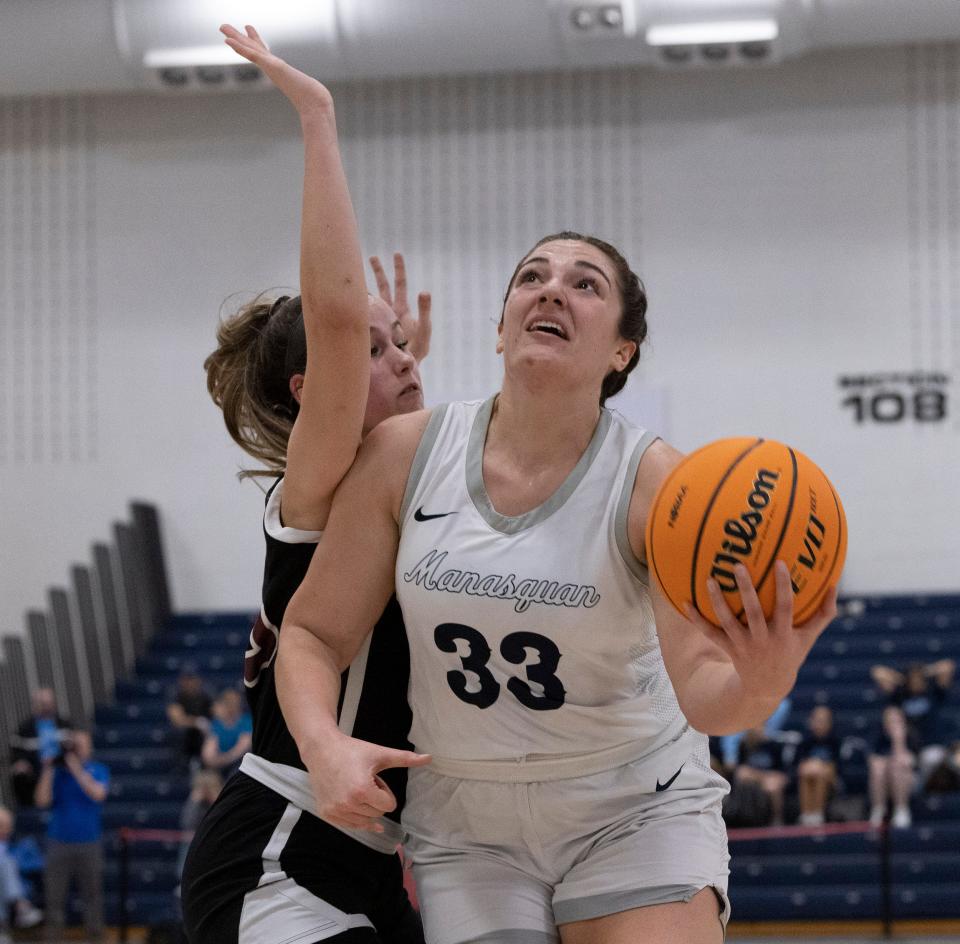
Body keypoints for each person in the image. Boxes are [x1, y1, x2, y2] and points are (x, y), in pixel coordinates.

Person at [276, 224, 841, 941]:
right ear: (502, 331)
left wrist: (761, 684)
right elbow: (312, 632)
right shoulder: (404, 455)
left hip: (632, 804)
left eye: (586, 284)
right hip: (468, 824)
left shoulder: (658, 483)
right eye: (532, 276)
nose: (552, 289)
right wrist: (322, 745)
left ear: (620, 352)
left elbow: (704, 691)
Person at [180, 23, 431, 944]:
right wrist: (319, 119)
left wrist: (392, 367)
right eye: (374, 350)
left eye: (402, 341)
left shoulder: (391, 479)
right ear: (310, 389)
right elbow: (330, 319)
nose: (401, 360)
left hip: (372, 855)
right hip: (279, 846)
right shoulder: (314, 488)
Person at [33, 729, 109, 943]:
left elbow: (98, 794)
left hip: (89, 842)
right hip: (59, 842)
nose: (77, 748)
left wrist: (76, 768)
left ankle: (95, 938)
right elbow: (41, 801)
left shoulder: (97, 769)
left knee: (93, 896)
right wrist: (48, 769)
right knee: (54, 897)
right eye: (75, 744)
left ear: (89, 747)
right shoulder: (58, 773)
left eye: (81, 744)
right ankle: (54, 939)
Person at [871, 658, 956, 786]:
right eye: (913, 679)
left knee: (933, 758)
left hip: (930, 744)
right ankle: (913, 788)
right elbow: (877, 672)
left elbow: (948, 666)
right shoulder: (900, 695)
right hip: (907, 747)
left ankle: (924, 788)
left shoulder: (933, 693)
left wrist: (924, 672)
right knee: (903, 762)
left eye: (919, 679)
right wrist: (903, 678)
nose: (916, 681)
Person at [8, 688, 71, 807]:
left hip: (62, 767)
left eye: (48, 703)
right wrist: (21, 762)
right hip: (35, 770)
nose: (46, 707)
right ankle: (28, 811)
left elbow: (73, 747)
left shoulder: (64, 724)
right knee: (19, 775)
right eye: (42, 704)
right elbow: (16, 751)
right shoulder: (25, 728)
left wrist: (57, 760)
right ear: (35, 705)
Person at [868, 704, 918, 828]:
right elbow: (873, 762)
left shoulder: (911, 736)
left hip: (908, 782)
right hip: (883, 781)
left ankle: (902, 810)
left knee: (898, 768)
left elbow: (909, 762)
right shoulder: (879, 737)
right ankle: (878, 810)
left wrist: (898, 742)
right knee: (878, 769)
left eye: (897, 721)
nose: (893, 724)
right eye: (890, 721)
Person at [794, 705, 841, 826]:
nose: (819, 723)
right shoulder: (805, 741)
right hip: (809, 775)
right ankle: (806, 815)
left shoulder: (835, 740)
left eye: (822, 720)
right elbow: (799, 766)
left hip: (829, 777)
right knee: (807, 773)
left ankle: (817, 814)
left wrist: (818, 766)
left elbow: (837, 766)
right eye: (816, 720)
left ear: (829, 723)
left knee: (820, 773)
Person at [0, 806, 43, 938]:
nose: (5, 830)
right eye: (1, 825)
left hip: (19, 885)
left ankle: (19, 908)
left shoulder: (20, 844)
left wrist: (16, 864)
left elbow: (37, 864)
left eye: (7, 826)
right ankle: (21, 906)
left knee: (7, 864)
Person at [734, 727, 789, 826]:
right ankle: (742, 818)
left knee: (772, 785)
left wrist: (759, 775)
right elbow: (740, 769)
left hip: (770, 778)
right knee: (743, 775)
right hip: (753, 779)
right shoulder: (745, 745)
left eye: (758, 727)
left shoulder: (774, 745)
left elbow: (781, 773)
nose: (755, 730)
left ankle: (776, 819)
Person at [166, 667, 213, 771]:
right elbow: (176, 719)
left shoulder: (206, 694)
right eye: (186, 679)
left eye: (192, 679)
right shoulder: (176, 694)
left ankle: (205, 765)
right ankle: (181, 765)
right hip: (185, 731)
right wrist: (196, 722)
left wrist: (207, 724)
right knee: (181, 732)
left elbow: (217, 711)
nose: (189, 683)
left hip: (203, 732)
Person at [201, 689, 253, 777]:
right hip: (218, 765)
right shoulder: (216, 724)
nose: (231, 705)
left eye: (234, 702)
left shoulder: (247, 721)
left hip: (241, 764)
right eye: (228, 702)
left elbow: (242, 748)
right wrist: (214, 761)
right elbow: (208, 753)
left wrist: (224, 760)